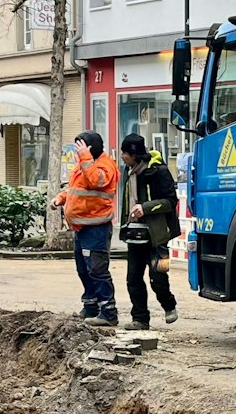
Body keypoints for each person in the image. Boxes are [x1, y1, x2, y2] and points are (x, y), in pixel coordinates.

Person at [53, 131, 120, 326]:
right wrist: (61, 198)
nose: (77, 152)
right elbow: (76, 188)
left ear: (89, 148)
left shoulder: (105, 165)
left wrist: (85, 158)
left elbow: (96, 181)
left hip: (96, 228)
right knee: (83, 269)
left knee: (97, 270)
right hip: (81, 227)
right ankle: (91, 305)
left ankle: (108, 312)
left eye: (80, 148)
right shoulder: (84, 164)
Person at [118, 134, 180, 330]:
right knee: (133, 278)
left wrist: (145, 208)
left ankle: (169, 305)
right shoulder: (129, 173)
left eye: (125, 153)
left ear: (134, 154)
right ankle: (140, 319)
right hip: (135, 234)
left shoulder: (159, 172)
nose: (122, 156)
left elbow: (171, 201)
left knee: (159, 275)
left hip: (158, 235)